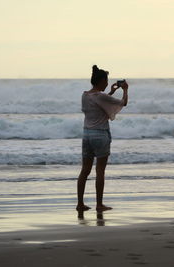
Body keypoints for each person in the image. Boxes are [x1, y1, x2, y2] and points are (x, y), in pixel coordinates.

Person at [76, 65, 128, 212]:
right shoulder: (101, 96)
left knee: (84, 170)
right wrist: (125, 89)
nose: (107, 83)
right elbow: (123, 102)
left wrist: (112, 91)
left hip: (86, 135)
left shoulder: (85, 95)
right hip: (100, 135)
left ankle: (80, 203)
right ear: (100, 81)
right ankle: (99, 204)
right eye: (106, 81)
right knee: (100, 171)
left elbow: (100, 101)